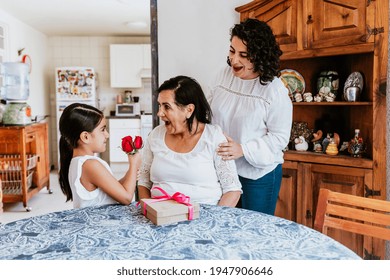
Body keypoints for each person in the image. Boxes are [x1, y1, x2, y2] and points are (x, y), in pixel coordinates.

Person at [206, 18, 292, 215]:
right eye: (232, 51)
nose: (234, 60)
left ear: (259, 57)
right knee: (225, 226)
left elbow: (279, 138)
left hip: (258, 175)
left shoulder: (274, 90)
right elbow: (207, 113)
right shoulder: (222, 75)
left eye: (243, 55)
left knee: (253, 232)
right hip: (223, 169)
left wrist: (243, 149)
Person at [137, 75, 242, 206]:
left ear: (189, 110)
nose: (160, 113)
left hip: (204, 218)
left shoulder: (213, 137)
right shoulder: (155, 135)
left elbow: (232, 190)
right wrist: (149, 209)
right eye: (159, 106)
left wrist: (213, 223)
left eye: (167, 107)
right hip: (160, 216)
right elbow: (143, 181)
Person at [58, 103, 141, 208]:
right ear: (85, 137)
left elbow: (108, 191)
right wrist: (133, 164)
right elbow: (126, 198)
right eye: (102, 130)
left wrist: (129, 175)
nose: (107, 135)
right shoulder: (91, 165)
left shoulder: (77, 161)